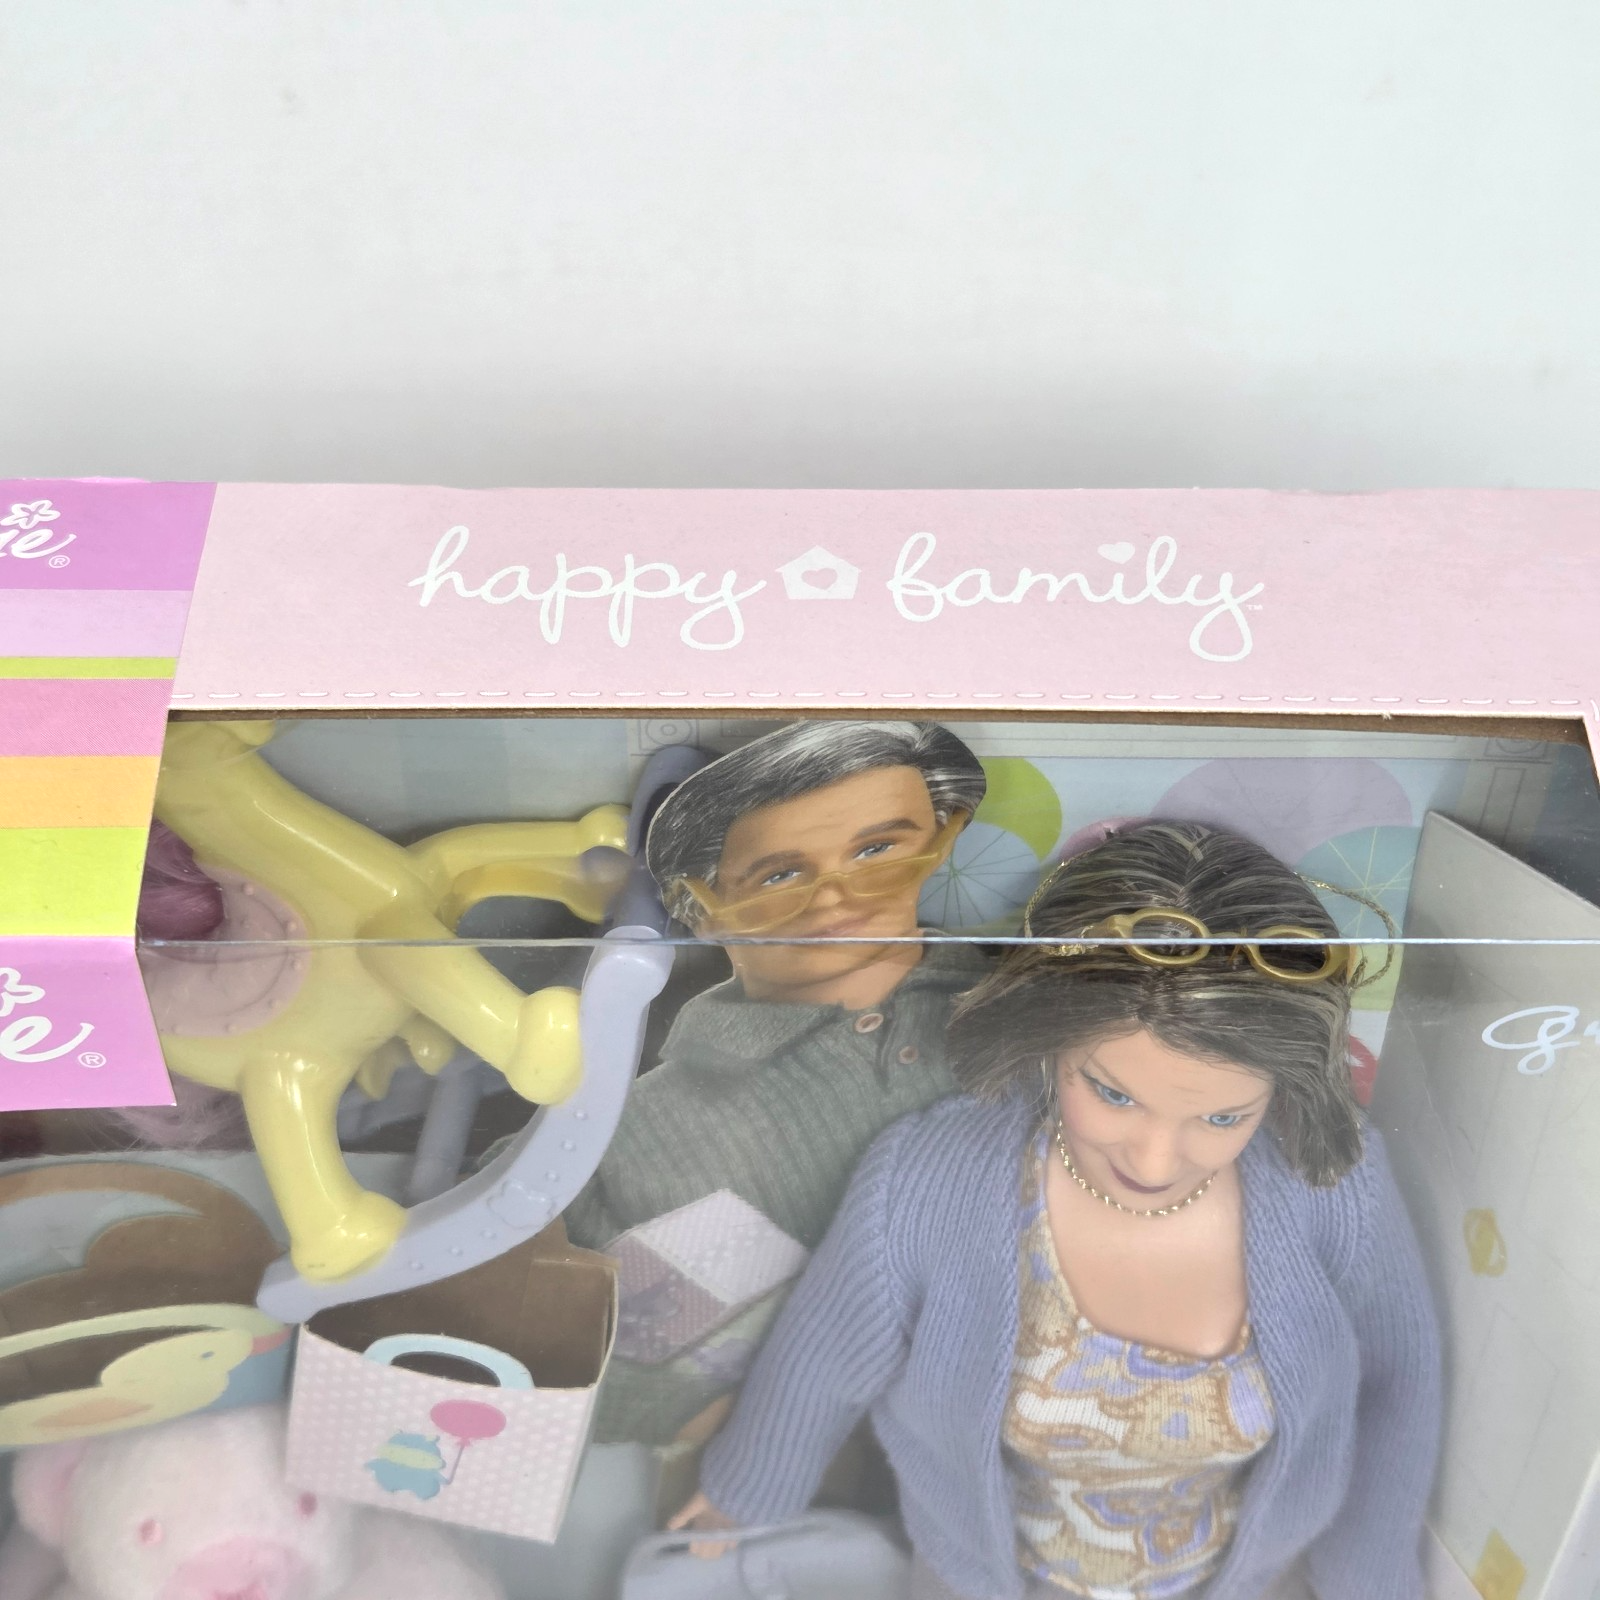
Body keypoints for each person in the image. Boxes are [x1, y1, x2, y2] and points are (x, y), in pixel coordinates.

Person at [677, 821, 1442, 1600]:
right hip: (981, 1578)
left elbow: (1399, 1379)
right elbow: (827, 1354)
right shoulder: (929, 1179)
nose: (1154, 1161)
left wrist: (1372, 1576)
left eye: (1223, 1117)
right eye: (1112, 1093)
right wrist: (746, 1492)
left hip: (1243, 1581)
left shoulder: (1333, 1182)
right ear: (1048, 1041)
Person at [562, 719, 991, 1451]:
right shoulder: (643, 1124)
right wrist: (688, 1416)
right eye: (780, 875)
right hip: (787, 1458)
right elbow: (515, 1319)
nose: (835, 900)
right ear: (700, 906)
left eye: (876, 850)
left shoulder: (1024, 1024)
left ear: (944, 834)